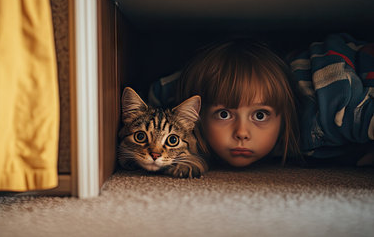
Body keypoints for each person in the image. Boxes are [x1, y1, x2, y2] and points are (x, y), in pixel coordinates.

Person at [148, 35, 374, 167]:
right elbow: (159, 95)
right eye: (224, 114)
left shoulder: (332, 108)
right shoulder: (187, 96)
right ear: (196, 116)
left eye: (260, 115)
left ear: (284, 115)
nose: (242, 133)